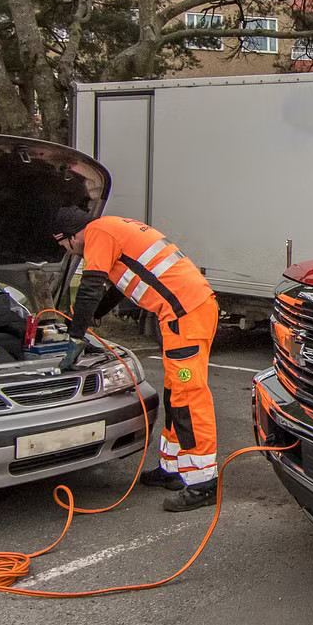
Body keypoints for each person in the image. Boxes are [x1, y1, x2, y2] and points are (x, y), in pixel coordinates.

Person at [51, 208, 220, 512]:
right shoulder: (113, 228)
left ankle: (203, 483)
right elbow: (119, 286)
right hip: (183, 313)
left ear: (74, 234)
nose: (66, 249)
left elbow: (90, 286)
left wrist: (76, 336)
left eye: (63, 243)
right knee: (174, 394)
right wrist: (97, 316)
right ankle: (173, 469)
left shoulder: (97, 233)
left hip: (186, 315)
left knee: (188, 398)